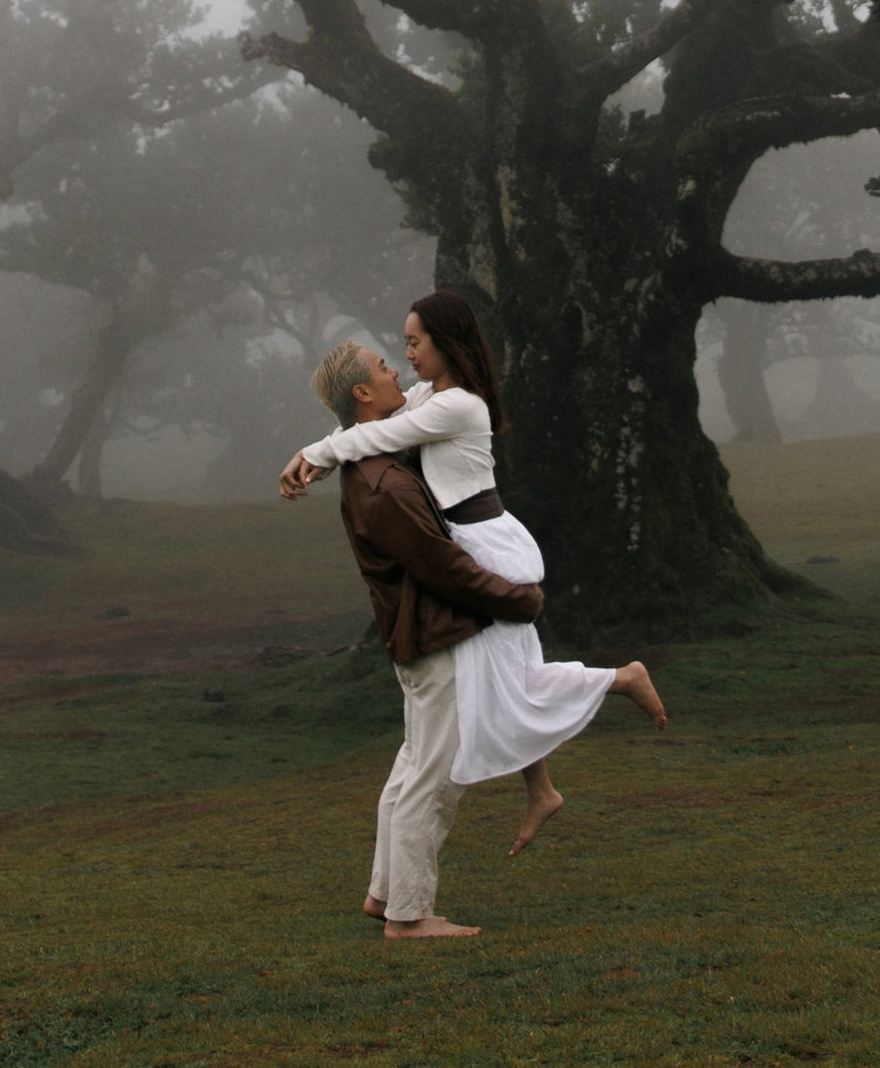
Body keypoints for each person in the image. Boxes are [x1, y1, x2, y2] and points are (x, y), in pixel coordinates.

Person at [285, 292, 666, 873]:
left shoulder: (459, 405)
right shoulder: (427, 397)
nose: (404, 354)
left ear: (445, 342)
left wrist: (312, 454)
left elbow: (371, 437)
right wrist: (321, 451)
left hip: (487, 546)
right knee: (508, 680)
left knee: (507, 682)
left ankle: (617, 686)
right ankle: (548, 779)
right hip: (474, 543)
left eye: (414, 342)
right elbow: (371, 424)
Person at [295, 336, 546, 943]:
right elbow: (443, 565)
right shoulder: (384, 482)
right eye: (385, 367)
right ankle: (410, 916)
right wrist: (519, 599)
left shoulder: (378, 462)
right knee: (435, 777)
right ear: (362, 392)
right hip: (434, 637)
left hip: (418, 637)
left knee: (412, 768)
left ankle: (384, 895)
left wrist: (316, 450)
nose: (398, 373)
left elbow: (404, 414)